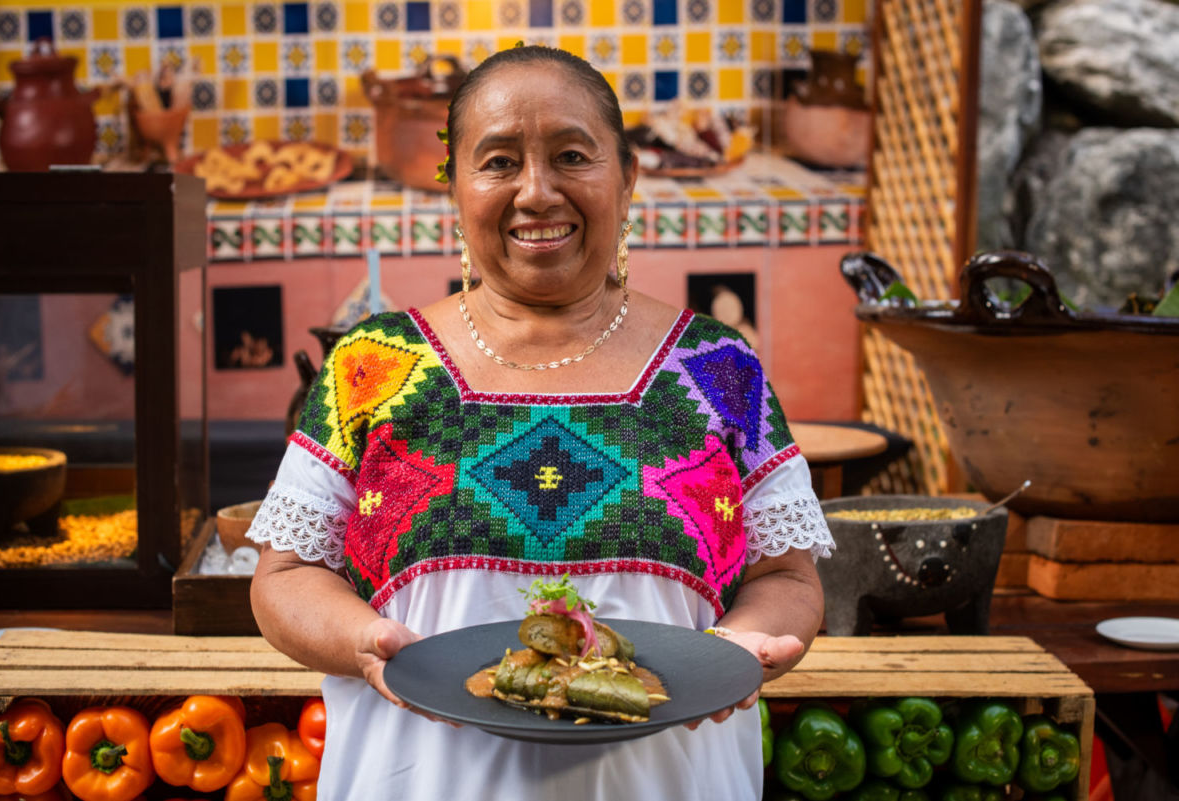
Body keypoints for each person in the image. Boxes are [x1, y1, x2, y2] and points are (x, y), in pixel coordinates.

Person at [247, 44, 835, 801]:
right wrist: (364, 641)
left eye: (571, 155)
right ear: (453, 186)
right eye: (497, 162)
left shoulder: (716, 365)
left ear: (626, 176)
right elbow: (287, 578)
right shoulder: (374, 361)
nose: (536, 192)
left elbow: (785, 575)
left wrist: (737, 648)